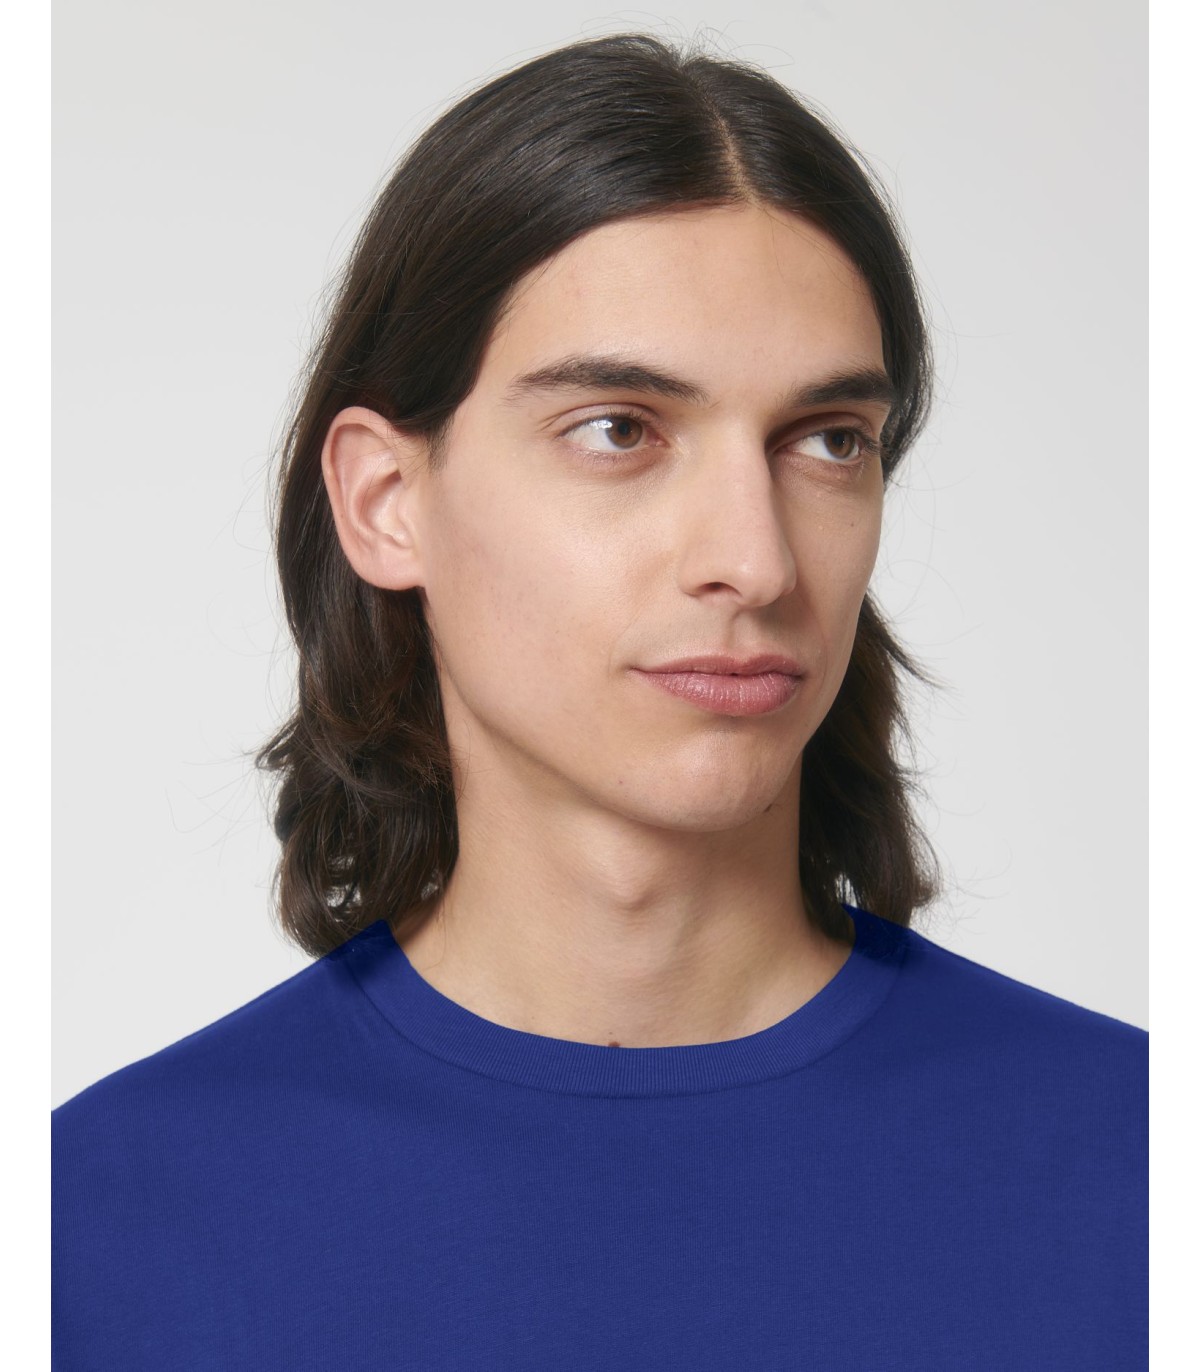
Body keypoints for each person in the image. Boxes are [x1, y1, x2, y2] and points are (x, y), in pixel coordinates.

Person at [52, 33, 1147, 1370]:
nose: (754, 559)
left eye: (826, 442)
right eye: (619, 429)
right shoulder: (94, 1233)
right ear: (386, 503)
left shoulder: (1145, 1174)